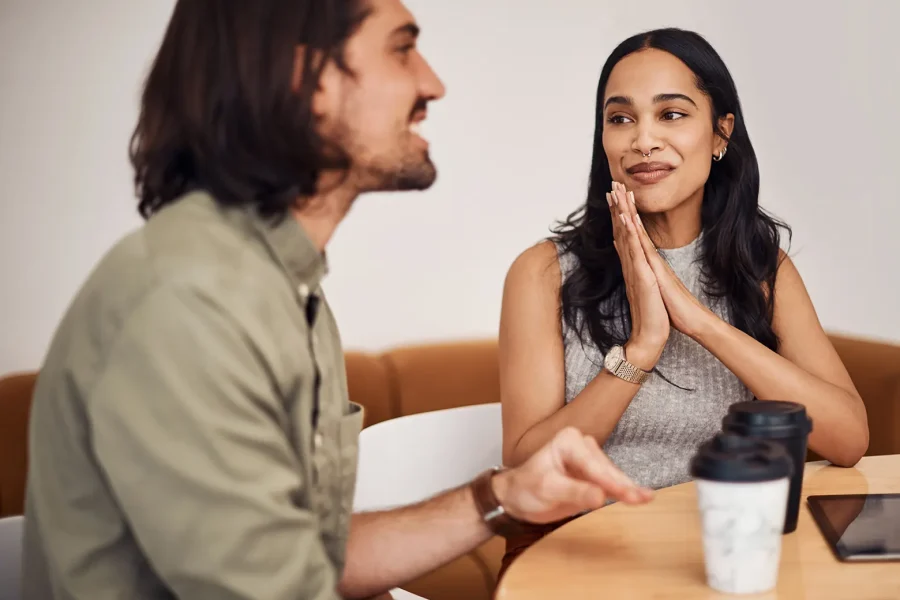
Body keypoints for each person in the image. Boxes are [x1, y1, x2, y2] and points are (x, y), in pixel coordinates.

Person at [20, 1, 655, 599]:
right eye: (402, 50)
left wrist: (502, 496)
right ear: (308, 79)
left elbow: (303, 552)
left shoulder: (286, 290)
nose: (432, 84)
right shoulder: (188, 303)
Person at [498, 27, 869, 572]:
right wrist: (643, 348)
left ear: (721, 134)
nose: (642, 140)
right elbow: (528, 468)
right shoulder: (544, 273)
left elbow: (849, 438)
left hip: (721, 549)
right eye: (620, 118)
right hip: (577, 554)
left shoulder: (763, 271)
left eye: (671, 114)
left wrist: (699, 322)